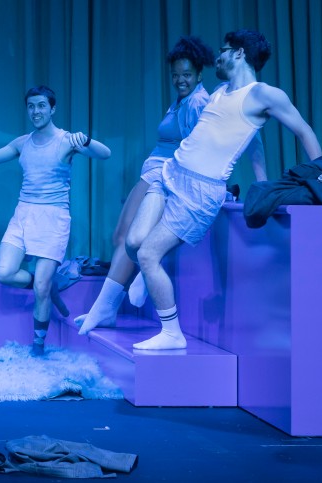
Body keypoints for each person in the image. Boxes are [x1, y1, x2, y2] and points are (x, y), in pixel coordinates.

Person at [129, 30, 322, 350]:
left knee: (148, 254)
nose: (217, 58)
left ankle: (171, 333)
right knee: (135, 243)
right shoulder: (220, 91)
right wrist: (261, 178)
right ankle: (146, 274)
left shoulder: (263, 94)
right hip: (170, 173)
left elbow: (303, 131)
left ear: (239, 53)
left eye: (223, 50)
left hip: (199, 193)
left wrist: (321, 177)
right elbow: (249, 138)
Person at [75, 36, 229, 335]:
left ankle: (108, 306)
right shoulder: (182, 100)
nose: (180, 80)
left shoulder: (197, 102)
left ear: (200, 74)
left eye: (187, 74)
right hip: (153, 170)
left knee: (127, 238)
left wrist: (179, 187)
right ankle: (109, 305)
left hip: (165, 174)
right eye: (175, 75)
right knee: (121, 236)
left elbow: (199, 149)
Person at [0, 85, 111, 356]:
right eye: (31, 106)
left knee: (41, 288)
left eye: (41, 106)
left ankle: (38, 347)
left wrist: (86, 141)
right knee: (4, 272)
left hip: (54, 217)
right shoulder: (22, 142)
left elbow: (105, 154)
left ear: (52, 109)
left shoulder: (66, 140)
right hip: (24, 214)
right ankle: (45, 285)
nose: (36, 111)